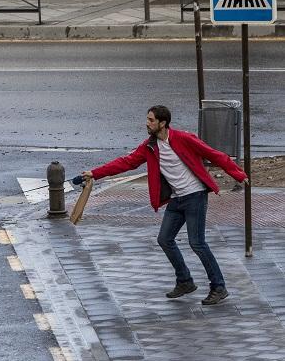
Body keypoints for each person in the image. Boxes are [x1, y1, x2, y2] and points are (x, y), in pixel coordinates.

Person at [82, 105, 248, 305]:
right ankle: (185, 281)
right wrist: (95, 173)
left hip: (195, 195)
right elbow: (126, 162)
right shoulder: (150, 146)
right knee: (164, 239)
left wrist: (238, 174)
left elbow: (213, 154)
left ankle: (219, 286)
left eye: (151, 120)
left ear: (163, 123)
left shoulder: (183, 138)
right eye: (147, 119)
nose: (147, 123)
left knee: (197, 243)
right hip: (177, 198)